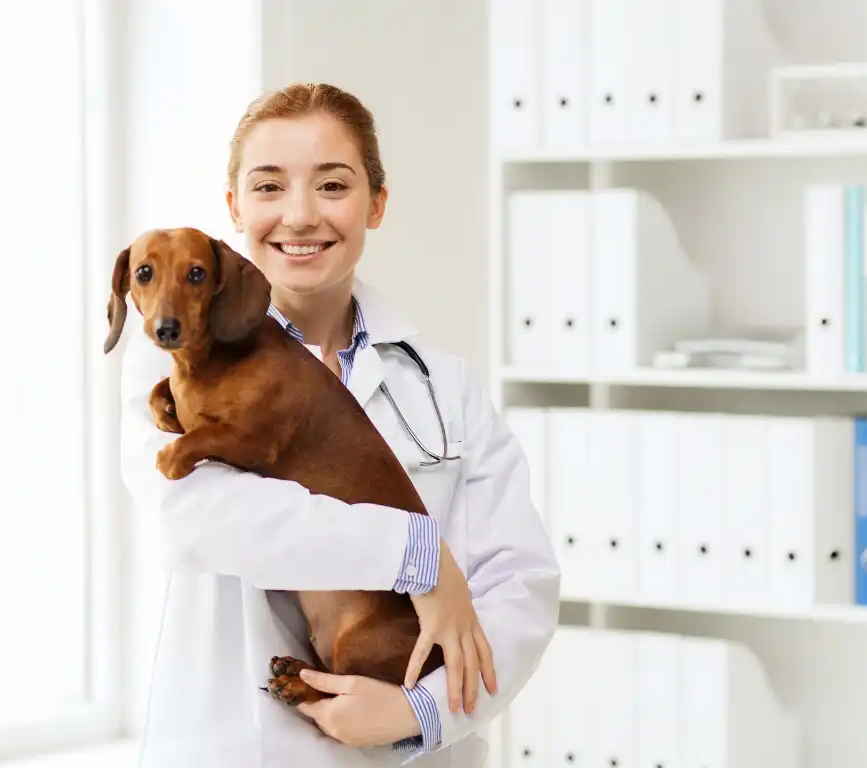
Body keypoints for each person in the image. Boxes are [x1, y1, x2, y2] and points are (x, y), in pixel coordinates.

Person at [117, 82, 560, 767]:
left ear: (375, 204)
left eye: (332, 185)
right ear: (234, 207)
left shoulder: (446, 387)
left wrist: (419, 712)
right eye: (268, 187)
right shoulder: (172, 363)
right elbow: (207, 518)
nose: (299, 216)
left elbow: (520, 586)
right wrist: (417, 553)